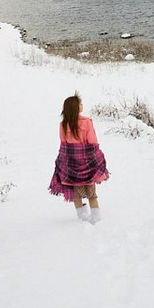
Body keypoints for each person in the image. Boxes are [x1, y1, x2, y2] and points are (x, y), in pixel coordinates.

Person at [49, 93, 109, 224]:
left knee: (76, 193)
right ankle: (96, 218)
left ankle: (82, 218)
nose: (82, 105)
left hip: (72, 165)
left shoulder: (63, 125)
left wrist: (62, 163)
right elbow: (92, 142)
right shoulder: (87, 122)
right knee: (91, 193)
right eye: (80, 104)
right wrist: (98, 158)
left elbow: (63, 145)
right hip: (87, 164)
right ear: (76, 108)